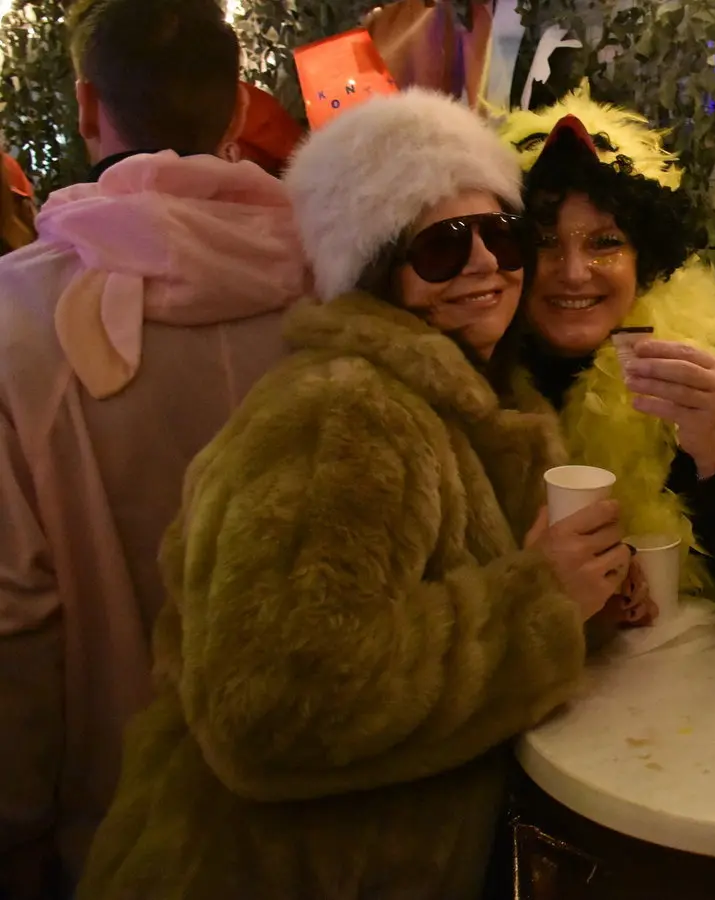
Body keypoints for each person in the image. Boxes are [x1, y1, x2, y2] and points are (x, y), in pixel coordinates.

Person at [75, 90, 620, 899]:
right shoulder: (343, 412)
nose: (483, 264)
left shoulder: (484, 404)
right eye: (441, 248)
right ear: (377, 270)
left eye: (500, 234)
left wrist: (592, 594)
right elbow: (273, 704)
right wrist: (538, 602)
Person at [0, 0, 305, 895]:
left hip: (117, 834)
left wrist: (15, 828)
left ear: (88, 106)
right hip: (323, 811)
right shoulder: (339, 280)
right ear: (241, 107)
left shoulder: (15, 321)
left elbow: (16, 616)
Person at [500, 85, 715, 626]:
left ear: (645, 258)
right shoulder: (478, 372)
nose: (574, 272)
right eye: (544, 241)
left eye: (605, 242)